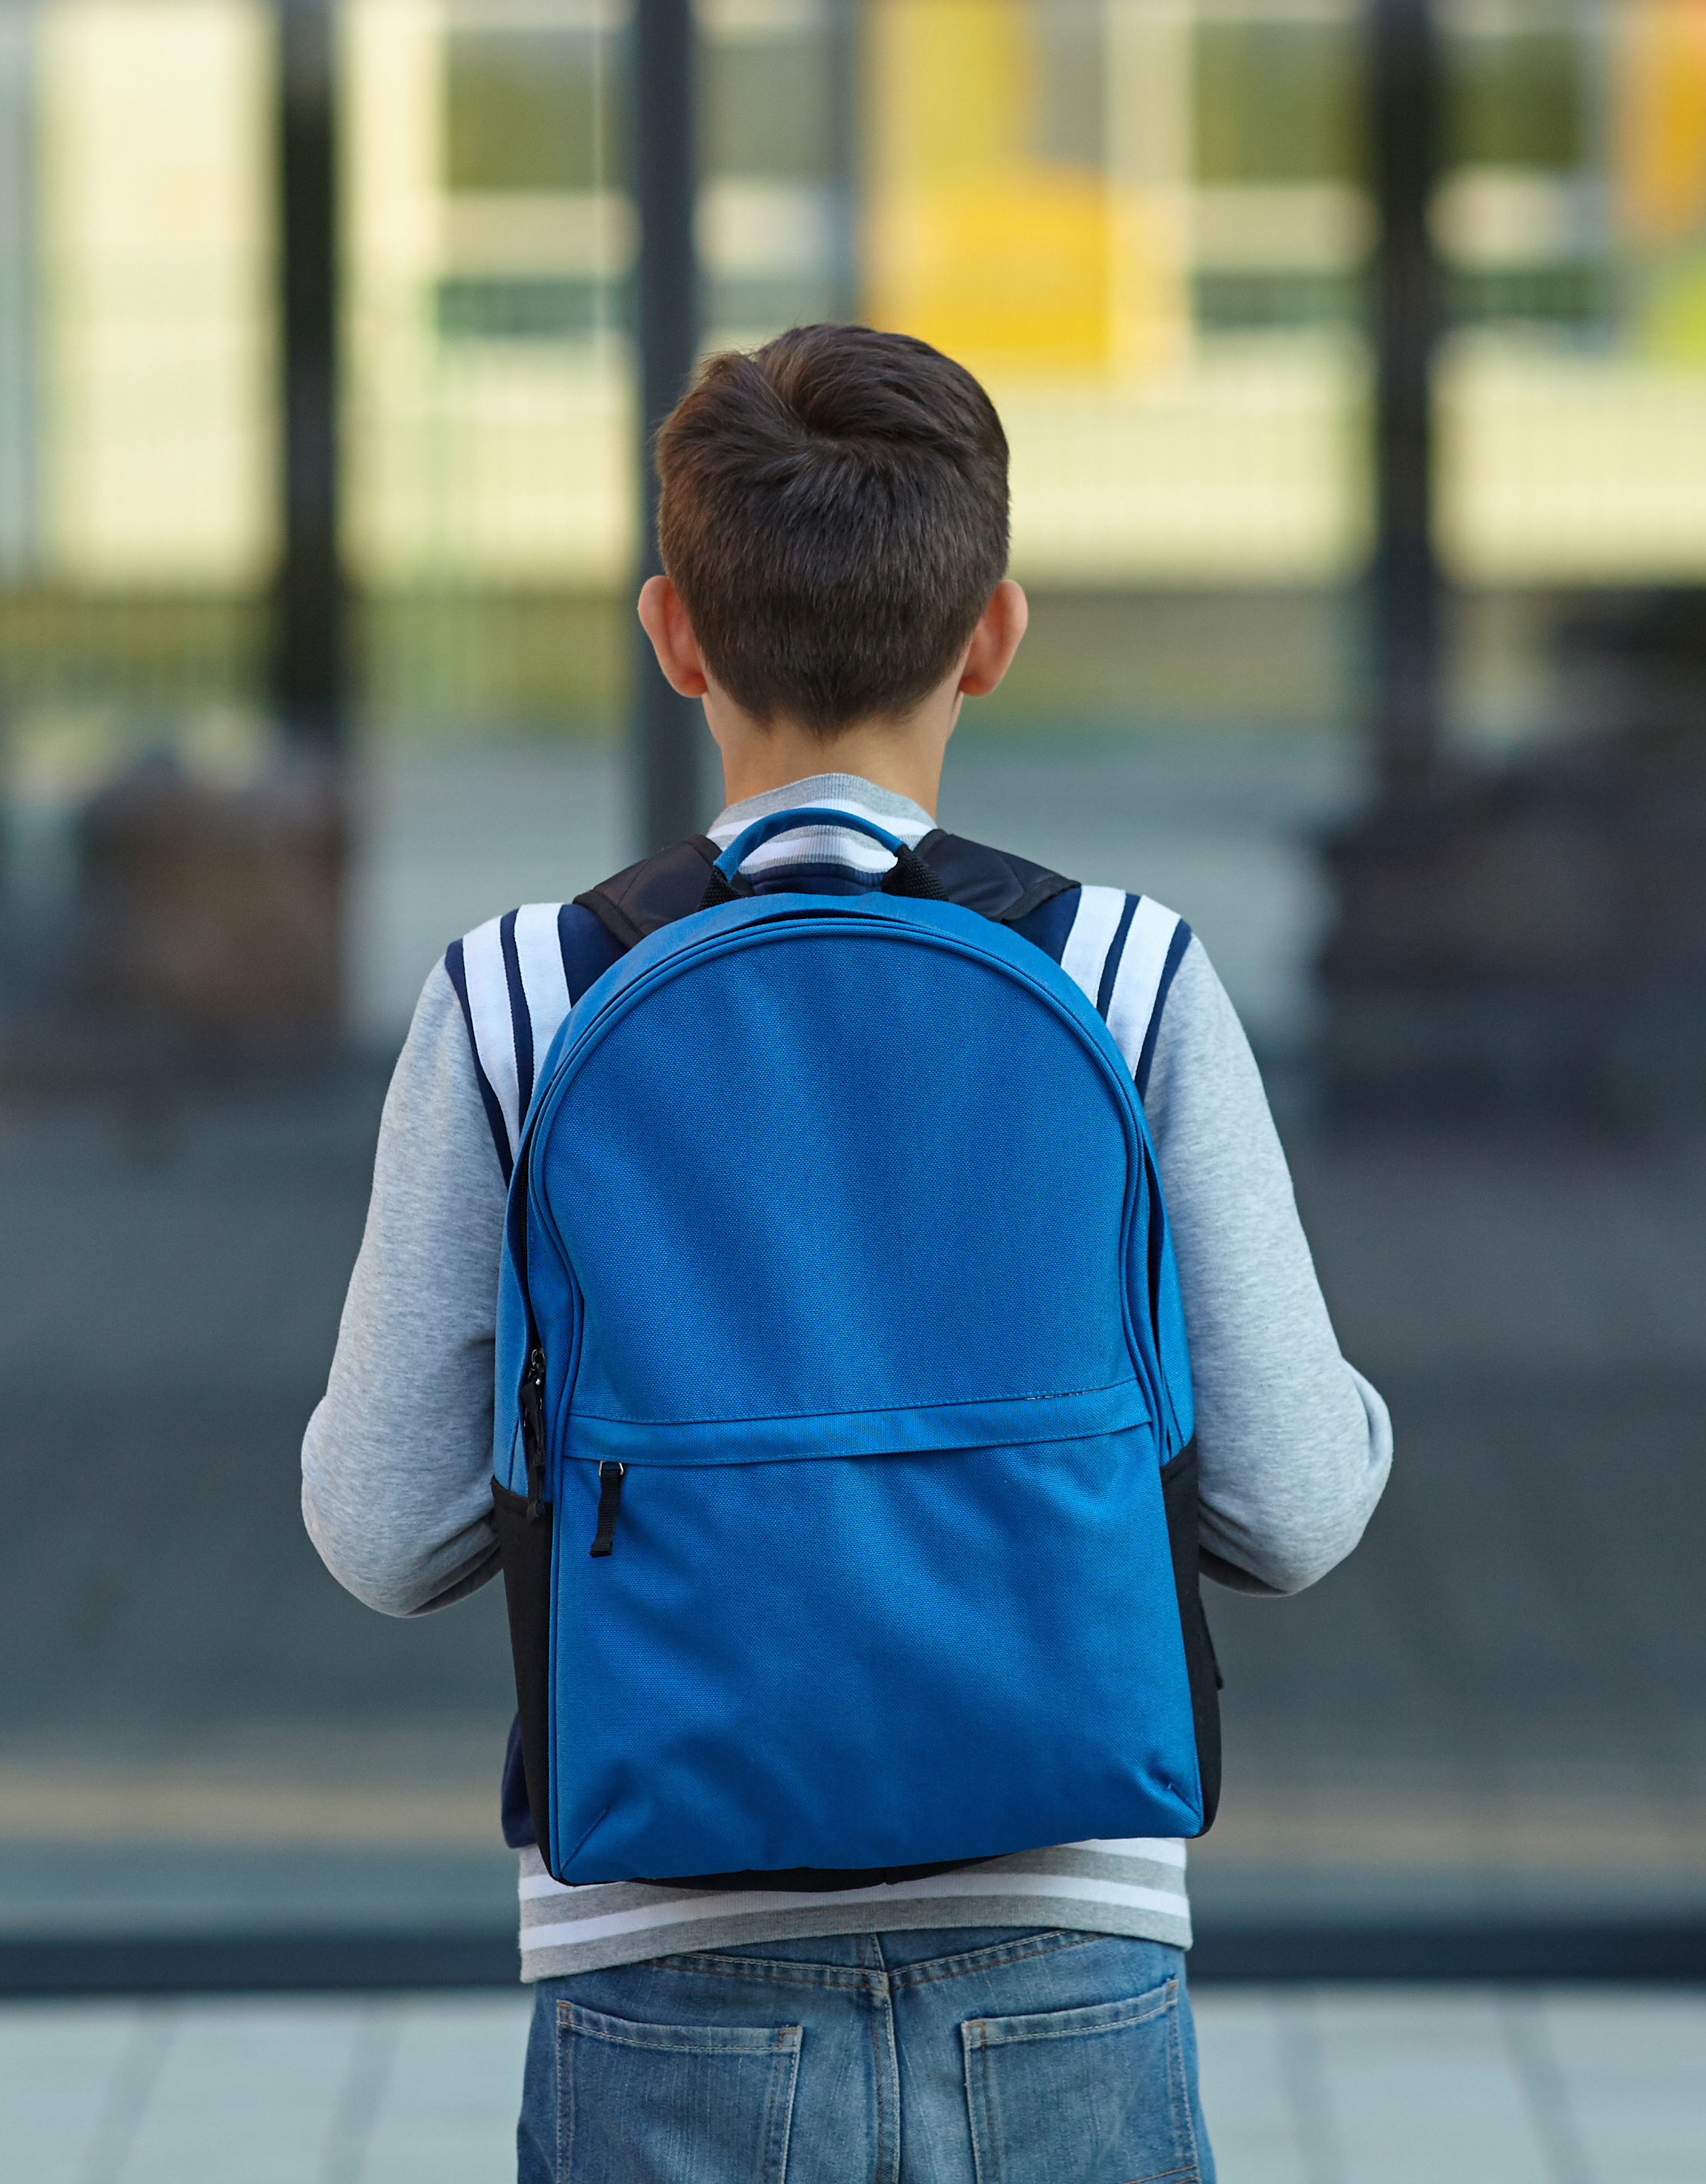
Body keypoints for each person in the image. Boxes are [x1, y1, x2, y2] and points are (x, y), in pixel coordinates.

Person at [302, 322, 1393, 2182]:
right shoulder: (1128, 981)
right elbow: (1288, 1510)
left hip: (657, 1959)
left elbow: (387, 1527)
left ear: (672, 635)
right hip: (1071, 1938)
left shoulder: (517, 999)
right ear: (995, 633)